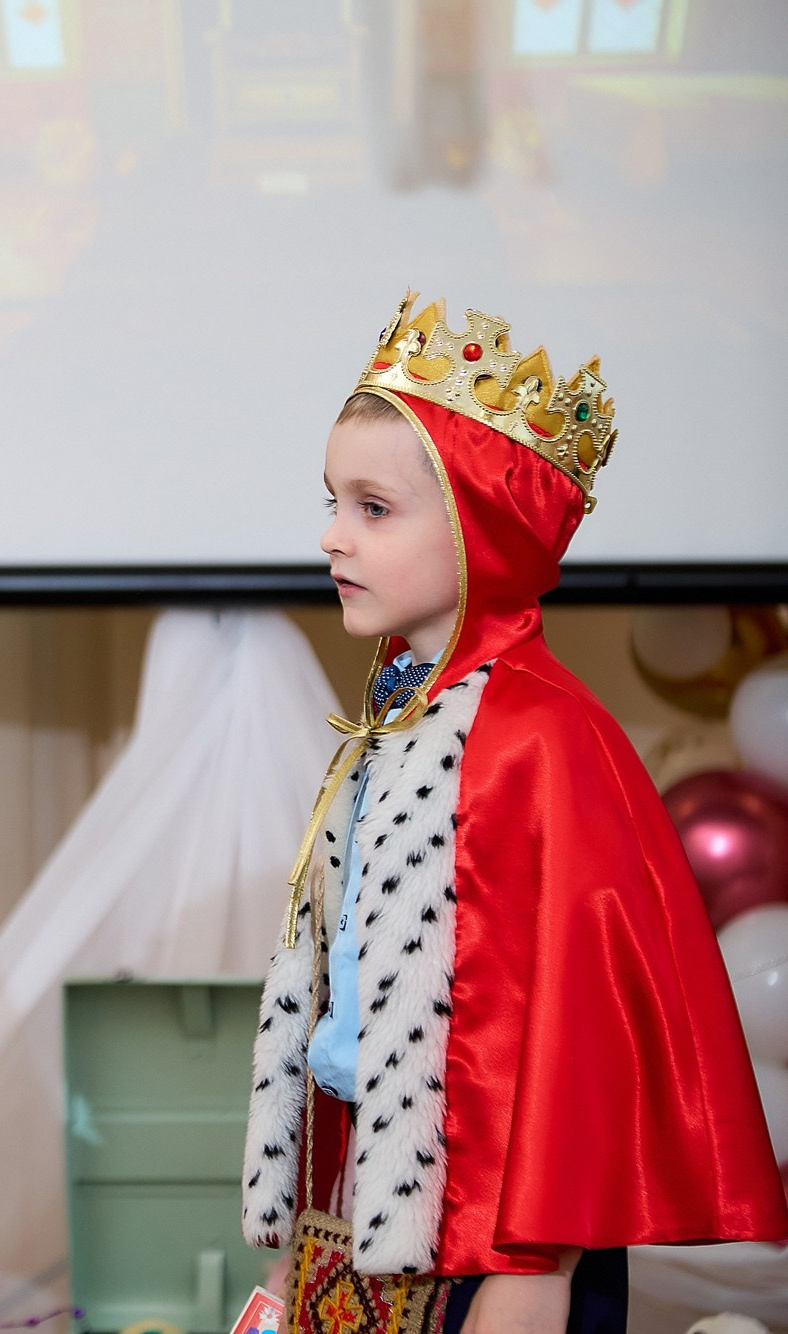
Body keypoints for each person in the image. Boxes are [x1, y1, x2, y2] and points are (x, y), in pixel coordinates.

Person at [240, 294, 788, 1333]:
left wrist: (532, 1263)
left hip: (501, 1241)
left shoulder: (538, 738)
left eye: (371, 507)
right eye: (331, 500)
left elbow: (576, 1028)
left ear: (476, 526)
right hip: (377, 1210)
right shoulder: (396, 713)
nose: (327, 535)